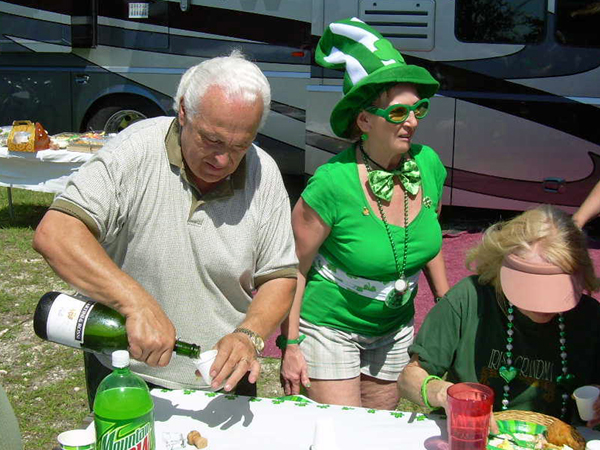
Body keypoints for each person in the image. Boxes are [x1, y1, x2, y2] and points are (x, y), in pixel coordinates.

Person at [32, 50, 298, 405]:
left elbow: (279, 276)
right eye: (212, 140)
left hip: (224, 379)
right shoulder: (135, 150)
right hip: (126, 372)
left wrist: (249, 335)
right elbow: (56, 233)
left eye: (239, 146)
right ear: (184, 110)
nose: (223, 160)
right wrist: (135, 303)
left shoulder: (263, 172)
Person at [279, 18, 449, 410]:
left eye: (418, 109)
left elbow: (430, 236)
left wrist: (446, 302)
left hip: (394, 328)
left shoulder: (430, 165)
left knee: (375, 429)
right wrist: (290, 344)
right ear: (364, 120)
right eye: (398, 112)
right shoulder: (333, 183)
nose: (412, 122)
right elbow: (293, 268)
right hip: (329, 325)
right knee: (341, 431)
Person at [398, 205, 600, 425]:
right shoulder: (470, 298)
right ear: (502, 265)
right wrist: (442, 393)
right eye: (531, 289)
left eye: (556, 291)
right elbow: (410, 378)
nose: (544, 306)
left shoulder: (589, 316)